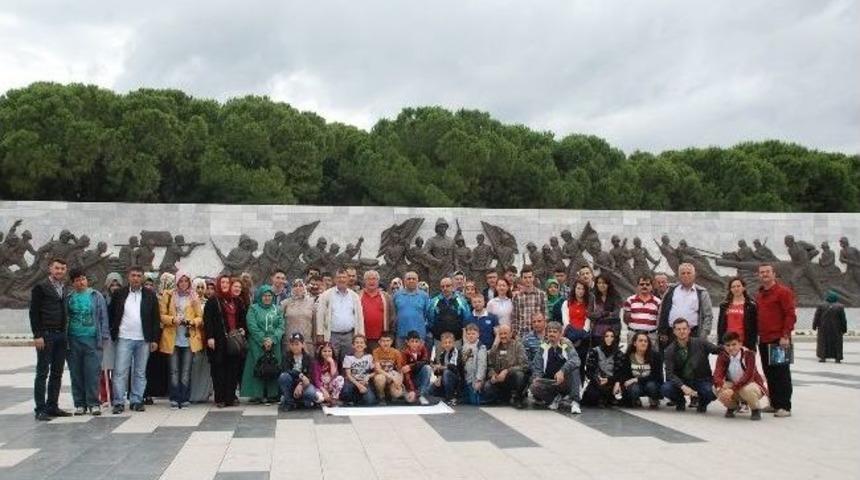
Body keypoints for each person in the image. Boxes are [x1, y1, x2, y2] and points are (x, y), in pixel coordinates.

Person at [109, 266, 161, 414]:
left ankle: (136, 400)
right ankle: (118, 402)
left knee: (140, 372)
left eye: (139, 275)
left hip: (143, 339)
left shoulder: (150, 295)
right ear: (128, 277)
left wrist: (154, 339)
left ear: (142, 278)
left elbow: (155, 319)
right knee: (120, 372)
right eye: (133, 275)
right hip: (124, 337)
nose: (136, 278)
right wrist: (113, 332)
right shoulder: (119, 294)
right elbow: (111, 314)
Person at [30, 258, 71, 421]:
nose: (59, 271)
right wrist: (37, 334)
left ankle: (52, 405)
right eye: (57, 268)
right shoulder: (40, 287)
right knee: (42, 372)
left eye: (62, 268)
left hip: (61, 335)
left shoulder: (64, 288)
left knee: (57, 372)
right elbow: (33, 312)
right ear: (50, 269)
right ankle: (40, 408)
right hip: (46, 335)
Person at [65, 268, 110, 416]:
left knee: (92, 373)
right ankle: (79, 404)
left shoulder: (96, 296)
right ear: (73, 283)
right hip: (73, 339)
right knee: (76, 373)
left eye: (83, 279)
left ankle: (93, 403)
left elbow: (103, 317)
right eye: (77, 280)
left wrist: (104, 337)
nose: (81, 282)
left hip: (92, 339)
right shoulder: (69, 297)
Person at [158, 271, 204, 409]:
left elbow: (199, 317)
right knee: (174, 370)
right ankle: (174, 397)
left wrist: (192, 322)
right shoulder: (169, 295)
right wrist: (173, 320)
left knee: (186, 370)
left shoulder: (193, 296)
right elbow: (161, 315)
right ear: (177, 282)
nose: (184, 283)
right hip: (172, 337)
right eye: (181, 281)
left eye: (186, 281)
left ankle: (184, 397)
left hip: (188, 338)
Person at [756, 263, 796, 417]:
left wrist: (785, 335)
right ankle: (774, 402)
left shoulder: (783, 292)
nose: (764, 274)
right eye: (761, 272)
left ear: (774, 274)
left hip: (779, 340)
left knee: (781, 373)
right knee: (769, 373)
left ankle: (784, 406)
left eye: (767, 272)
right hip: (764, 340)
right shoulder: (760, 295)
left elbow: (790, 315)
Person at [204, 276, 247, 408]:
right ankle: (220, 398)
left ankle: (230, 397)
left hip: (233, 340)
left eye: (227, 282)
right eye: (222, 282)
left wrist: (242, 329)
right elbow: (208, 320)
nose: (225, 284)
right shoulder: (213, 301)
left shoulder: (237, 301)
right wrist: (210, 337)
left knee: (233, 370)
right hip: (219, 340)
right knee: (219, 369)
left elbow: (242, 318)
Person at [661, 318, 720, 413]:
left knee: (711, 392)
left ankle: (702, 403)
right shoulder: (669, 350)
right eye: (678, 329)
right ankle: (680, 402)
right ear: (674, 332)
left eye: (684, 329)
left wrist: (733, 349)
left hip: (701, 379)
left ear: (689, 330)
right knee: (666, 388)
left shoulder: (700, 342)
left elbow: (718, 350)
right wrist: (683, 386)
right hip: (682, 380)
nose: (682, 331)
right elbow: (669, 373)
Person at [242, 285, 285, 404]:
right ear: (260, 296)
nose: (267, 298)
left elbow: (281, 326)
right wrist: (263, 340)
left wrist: (273, 339)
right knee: (257, 366)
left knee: (273, 366)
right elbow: (252, 326)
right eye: (265, 295)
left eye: (269, 295)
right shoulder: (253, 308)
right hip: (257, 343)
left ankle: (272, 394)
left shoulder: (277, 309)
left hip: (274, 343)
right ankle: (257, 394)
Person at [529, 321, 582, 414]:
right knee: (534, 386)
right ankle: (554, 399)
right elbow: (537, 366)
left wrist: (562, 371)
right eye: (549, 331)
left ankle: (575, 402)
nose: (551, 334)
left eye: (554, 331)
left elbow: (576, 360)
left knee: (574, 369)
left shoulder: (566, 343)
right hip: (551, 381)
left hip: (566, 381)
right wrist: (536, 377)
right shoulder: (543, 346)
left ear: (560, 333)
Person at [713, 332, 767, 420]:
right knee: (716, 388)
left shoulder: (749, 354)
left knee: (747, 389)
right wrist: (720, 387)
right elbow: (717, 373)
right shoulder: (723, 355)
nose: (731, 348)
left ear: (740, 344)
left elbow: (748, 376)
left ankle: (755, 409)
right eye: (728, 345)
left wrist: (732, 389)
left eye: (734, 344)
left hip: (751, 386)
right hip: (735, 387)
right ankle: (732, 407)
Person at [657, 263, 714, 344]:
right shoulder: (671, 290)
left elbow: (708, 316)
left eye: (688, 273)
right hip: (671, 334)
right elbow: (663, 311)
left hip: (693, 334)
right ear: (679, 276)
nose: (686, 275)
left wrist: (703, 335)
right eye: (683, 273)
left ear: (694, 275)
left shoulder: (702, 293)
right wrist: (662, 331)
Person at [316, 269, 365, 361]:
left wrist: (360, 334)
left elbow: (359, 317)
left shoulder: (354, 296)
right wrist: (320, 333)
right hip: (332, 335)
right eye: (339, 277)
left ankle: (346, 376)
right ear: (335, 279)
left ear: (347, 279)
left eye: (344, 277)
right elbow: (320, 315)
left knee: (348, 361)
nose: (341, 279)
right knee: (331, 360)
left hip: (349, 336)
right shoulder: (326, 295)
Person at [485, 324, 529, 408]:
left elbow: (524, 365)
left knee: (520, 375)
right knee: (487, 387)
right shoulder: (495, 348)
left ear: (511, 334)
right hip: (500, 380)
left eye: (505, 333)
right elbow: (490, 365)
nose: (503, 336)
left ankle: (518, 397)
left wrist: (507, 371)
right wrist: (493, 375)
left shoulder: (518, 346)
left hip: (512, 378)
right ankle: (503, 397)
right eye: (501, 334)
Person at [618, 332, 663, 409]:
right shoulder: (627, 356)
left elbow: (657, 376)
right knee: (634, 389)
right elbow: (624, 375)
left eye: (646, 341)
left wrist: (636, 379)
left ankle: (654, 399)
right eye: (640, 341)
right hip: (636, 385)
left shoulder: (656, 356)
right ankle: (636, 399)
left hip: (650, 383)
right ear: (635, 343)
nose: (643, 343)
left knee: (651, 386)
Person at [99, 272, 123, 406]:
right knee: (104, 368)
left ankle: (117, 394)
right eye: (112, 284)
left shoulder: (124, 298)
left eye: (117, 284)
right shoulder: (102, 298)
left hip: (120, 336)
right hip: (106, 337)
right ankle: (104, 395)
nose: (114, 287)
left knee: (118, 368)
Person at [582, 330, 624, 407]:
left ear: (615, 339)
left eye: (612, 336)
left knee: (618, 398)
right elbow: (589, 370)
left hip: (612, 381)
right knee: (591, 396)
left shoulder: (619, 353)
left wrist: (610, 380)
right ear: (603, 338)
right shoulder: (594, 351)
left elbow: (620, 372)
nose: (609, 338)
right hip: (597, 381)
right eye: (606, 336)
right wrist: (598, 379)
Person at [189, 277, 213, 404]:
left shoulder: (208, 302)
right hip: (192, 338)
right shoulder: (190, 302)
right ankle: (191, 394)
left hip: (205, 338)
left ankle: (202, 394)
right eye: (197, 287)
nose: (199, 290)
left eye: (202, 287)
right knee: (193, 366)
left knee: (204, 367)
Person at [278, 332, 317, 411]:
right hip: (291, 383)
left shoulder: (308, 358)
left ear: (302, 344)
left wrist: (301, 384)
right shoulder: (286, 356)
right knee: (283, 376)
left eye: (297, 344)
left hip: (304, 383)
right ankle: (289, 403)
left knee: (310, 394)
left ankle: (297, 401)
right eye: (292, 344)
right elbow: (286, 370)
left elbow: (310, 375)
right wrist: (300, 375)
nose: (294, 347)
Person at [716, 277, 758, 351]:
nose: (736, 288)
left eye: (738, 286)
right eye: (733, 287)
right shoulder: (724, 305)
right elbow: (720, 326)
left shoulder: (751, 305)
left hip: (744, 344)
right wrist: (720, 344)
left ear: (743, 288)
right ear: (730, 289)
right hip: (728, 343)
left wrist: (752, 347)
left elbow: (754, 328)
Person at [427, 277, 472, 345]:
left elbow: (467, 318)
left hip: (456, 339)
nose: (445, 288)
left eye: (448, 286)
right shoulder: (434, 301)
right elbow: (430, 319)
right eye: (443, 287)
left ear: (453, 286)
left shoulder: (461, 301)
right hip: (439, 340)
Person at [392, 271, 431, 347]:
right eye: (408, 279)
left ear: (417, 281)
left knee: (419, 358)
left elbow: (428, 314)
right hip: (401, 334)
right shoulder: (397, 295)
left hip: (419, 335)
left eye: (414, 279)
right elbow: (394, 313)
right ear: (404, 281)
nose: (411, 280)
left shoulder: (424, 296)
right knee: (401, 358)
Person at [360, 270, 394, 351]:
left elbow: (392, 316)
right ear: (364, 281)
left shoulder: (386, 297)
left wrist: (390, 335)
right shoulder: (357, 296)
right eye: (369, 279)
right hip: (362, 338)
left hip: (380, 339)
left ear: (378, 281)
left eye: (374, 279)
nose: (371, 281)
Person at [623, 275, 662, 347]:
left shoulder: (658, 302)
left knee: (651, 357)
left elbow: (659, 320)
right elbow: (626, 319)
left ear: (651, 287)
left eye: (647, 284)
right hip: (634, 335)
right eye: (641, 284)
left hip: (651, 336)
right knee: (631, 357)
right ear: (637, 286)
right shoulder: (630, 300)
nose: (644, 286)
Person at [281, 279, 315, 355]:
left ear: (304, 288)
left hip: (307, 342)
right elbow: (280, 322)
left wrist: (315, 341)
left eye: (300, 286)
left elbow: (315, 323)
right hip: (289, 341)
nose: (298, 288)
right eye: (295, 286)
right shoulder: (285, 303)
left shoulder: (311, 302)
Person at [511, 266, 547, 338]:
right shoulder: (517, 297)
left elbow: (545, 315)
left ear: (533, 278)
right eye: (525, 277)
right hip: (522, 334)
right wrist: (515, 335)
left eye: (530, 277)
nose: (528, 280)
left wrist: (544, 333)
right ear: (521, 279)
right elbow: (515, 318)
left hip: (538, 334)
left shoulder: (542, 294)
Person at [341, 334, 377, 405]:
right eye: (357, 342)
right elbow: (348, 375)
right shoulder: (348, 357)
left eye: (361, 343)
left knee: (370, 401)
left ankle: (359, 398)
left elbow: (375, 371)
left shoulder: (369, 356)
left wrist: (368, 376)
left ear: (365, 345)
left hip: (364, 381)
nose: (359, 344)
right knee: (346, 392)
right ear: (353, 345)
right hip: (352, 381)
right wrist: (358, 385)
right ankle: (354, 398)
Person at [813, 291, 848, 363]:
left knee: (823, 342)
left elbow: (817, 317)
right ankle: (838, 358)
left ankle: (823, 357)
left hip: (823, 328)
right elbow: (843, 319)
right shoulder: (840, 306)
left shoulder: (821, 305)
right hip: (837, 328)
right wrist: (844, 329)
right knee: (837, 343)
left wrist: (814, 325)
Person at [588, 275, 622, 346]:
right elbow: (589, 314)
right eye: (599, 283)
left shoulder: (615, 296)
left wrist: (598, 315)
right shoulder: (593, 296)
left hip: (612, 332)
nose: (601, 285)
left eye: (604, 283)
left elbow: (616, 313)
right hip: (597, 332)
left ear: (608, 284)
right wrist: (604, 313)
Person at [400, 330, 432, 405]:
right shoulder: (404, 353)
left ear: (420, 342)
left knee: (427, 368)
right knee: (410, 401)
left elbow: (426, 361)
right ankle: (410, 393)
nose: (414, 344)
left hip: (419, 378)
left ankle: (420, 394)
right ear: (407, 342)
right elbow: (406, 374)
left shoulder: (423, 348)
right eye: (412, 341)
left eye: (416, 341)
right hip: (409, 380)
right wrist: (411, 390)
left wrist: (411, 366)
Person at [372, 331, 404, 405]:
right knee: (380, 378)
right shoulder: (376, 351)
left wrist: (399, 382)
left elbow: (400, 369)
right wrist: (391, 377)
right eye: (383, 341)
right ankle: (381, 396)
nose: (385, 343)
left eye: (388, 341)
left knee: (397, 393)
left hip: (391, 373)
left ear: (392, 342)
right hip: (381, 374)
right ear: (379, 342)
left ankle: (390, 392)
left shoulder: (396, 352)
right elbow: (378, 369)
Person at [431, 331, 462, 405]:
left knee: (447, 373)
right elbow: (441, 370)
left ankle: (451, 397)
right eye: (445, 343)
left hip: (456, 379)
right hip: (445, 377)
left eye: (449, 342)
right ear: (442, 344)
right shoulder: (442, 354)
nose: (447, 344)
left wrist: (440, 367)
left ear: (453, 343)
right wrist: (438, 376)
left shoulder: (455, 352)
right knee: (432, 389)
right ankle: (444, 396)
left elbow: (453, 367)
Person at [461, 323, 487, 405]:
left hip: (474, 379)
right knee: (466, 401)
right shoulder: (464, 346)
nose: (471, 336)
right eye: (468, 334)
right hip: (466, 378)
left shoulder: (480, 347)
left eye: (473, 334)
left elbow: (482, 364)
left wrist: (479, 380)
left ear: (478, 335)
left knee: (474, 402)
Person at [312, 342, 343, 407]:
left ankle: (334, 399)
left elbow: (334, 376)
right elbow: (316, 380)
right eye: (324, 351)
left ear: (332, 352)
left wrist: (331, 363)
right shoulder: (316, 363)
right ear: (321, 352)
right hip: (321, 387)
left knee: (340, 378)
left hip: (330, 386)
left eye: (329, 351)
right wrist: (324, 391)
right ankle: (326, 400)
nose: (327, 353)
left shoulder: (333, 362)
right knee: (319, 397)